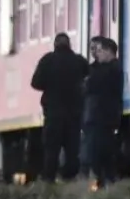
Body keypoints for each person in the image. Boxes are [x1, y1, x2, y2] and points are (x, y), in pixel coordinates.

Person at [31, 33, 89, 183]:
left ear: (55, 45)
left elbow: (35, 83)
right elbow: (89, 77)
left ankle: (49, 179)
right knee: (72, 149)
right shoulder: (79, 61)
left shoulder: (47, 60)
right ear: (69, 45)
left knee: (51, 149)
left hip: (53, 113)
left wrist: (50, 85)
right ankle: (69, 178)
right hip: (74, 113)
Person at [83, 36, 125, 190]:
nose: (96, 54)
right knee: (99, 152)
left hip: (103, 117)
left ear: (108, 51)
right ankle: (104, 181)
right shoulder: (104, 68)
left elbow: (91, 85)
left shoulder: (112, 68)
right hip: (100, 116)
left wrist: (88, 81)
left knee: (101, 152)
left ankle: (107, 182)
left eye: (99, 51)